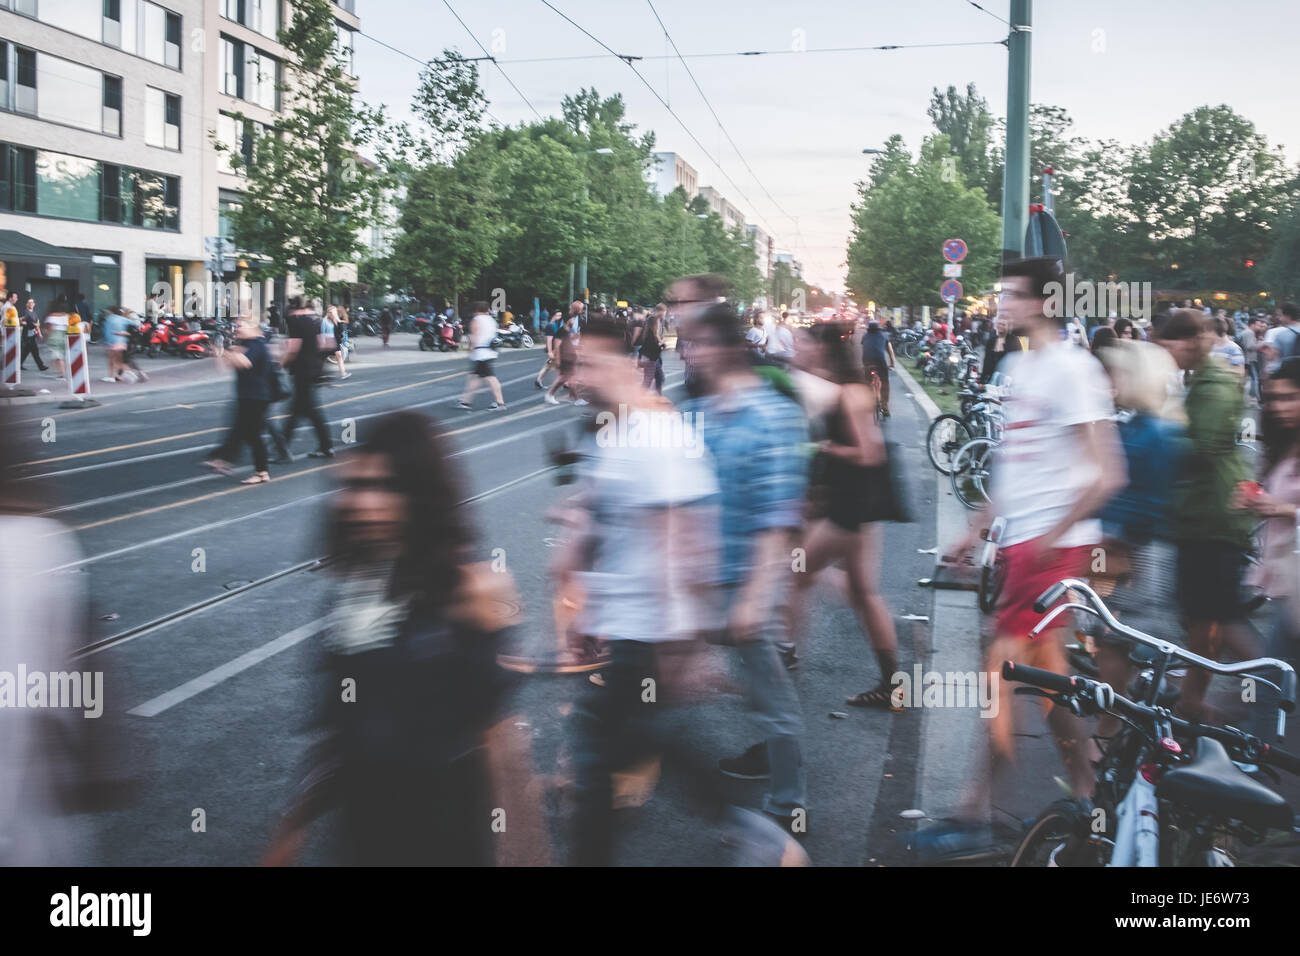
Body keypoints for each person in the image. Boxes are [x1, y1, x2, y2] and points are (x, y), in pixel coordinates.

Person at [920, 257, 1126, 858]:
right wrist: (976, 528)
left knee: (1000, 677)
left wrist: (1048, 537)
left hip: (1057, 548)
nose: (1000, 301)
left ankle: (972, 815)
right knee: (1049, 684)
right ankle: (1092, 798)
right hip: (1024, 543)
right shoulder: (1016, 365)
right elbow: (1017, 466)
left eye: (1011, 293)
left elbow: (1107, 472)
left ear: (1043, 302)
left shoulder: (1075, 370)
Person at [265, 412, 522, 866]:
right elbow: (341, 737)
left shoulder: (475, 589)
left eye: (383, 486)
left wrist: (524, 848)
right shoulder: (356, 589)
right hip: (363, 835)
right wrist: (291, 829)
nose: (362, 503)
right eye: (355, 486)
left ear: (420, 492)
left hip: (444, 835)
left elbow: (500, 737)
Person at [680, 302, 810, 837]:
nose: (692, 353)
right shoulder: (699, 414)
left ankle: (789, 806)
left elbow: (777, 517)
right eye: (688, 344)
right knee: (652, 681)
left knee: (770, 699)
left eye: (702, 343)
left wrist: (758, 596)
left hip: (745, 580)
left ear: (730, 347)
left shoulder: (771, 415)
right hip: (701, 579)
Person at [789, 322, 903, 705]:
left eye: (810, 345)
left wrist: (826, 448)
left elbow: (870, 452)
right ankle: (893, 684)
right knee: (863, 592)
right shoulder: (843, 388)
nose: (804, 351)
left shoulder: (851, 394)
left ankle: (786, 663)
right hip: (857, 506)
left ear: (825, 349)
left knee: (797, 570)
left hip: (851, 507)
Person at [1157, 310, 1259, 721]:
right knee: (1210, 616)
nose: (1166, 356)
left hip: (1215, 516)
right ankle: (1198, 703)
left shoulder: (1214, 385)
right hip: (1205, 515)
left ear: (1193, 340)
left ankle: (1257, 697)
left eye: (1170, 347)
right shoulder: (1201, 379)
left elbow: (1204, 447)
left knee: (1214, 618)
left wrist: (1159, 438)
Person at [1238, 358, 1300, 666]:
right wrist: (1257, 502)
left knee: (1270, 684)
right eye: (1274, 398)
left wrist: (1284, 508)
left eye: (1290, 397)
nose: (1278, 406)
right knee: (1273, 681)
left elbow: (1288, 506)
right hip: (1290, 585)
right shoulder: (1286, 442)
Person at [203, 314, 276, 484]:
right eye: (236, 326)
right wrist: (220, 354)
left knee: (253, 435)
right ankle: (224, 461)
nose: (237, 329)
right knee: (241, 431)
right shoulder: (247, 345)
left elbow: (244, 363)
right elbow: (228, 367)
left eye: (240, 326)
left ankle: (261, 472)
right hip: (247, 396)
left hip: (257, 397)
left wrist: (227, 351)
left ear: (252, 328)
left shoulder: (257, 344)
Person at [277, 297, 333, 459]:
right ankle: (324, 446)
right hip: (314, 370)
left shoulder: (296, 320)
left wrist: (280, 364)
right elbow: (327, 345)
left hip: (302, 370)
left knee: (306, 411)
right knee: (302, 411)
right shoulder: (318, 320)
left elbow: (293, 348)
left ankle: (283, 449)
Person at [456, 301, 506, 410]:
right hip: (490, 351)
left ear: (476, 310)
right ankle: (465, 401)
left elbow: (474, 337)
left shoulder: (476, 320)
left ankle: (500, 402)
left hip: (481, 353)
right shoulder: (492, 321)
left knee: (490, 378)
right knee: (475, 377)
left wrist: (471, 349)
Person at [544, 311, 581, 405]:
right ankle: (550, 394)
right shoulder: (561, 331)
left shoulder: (567, 330)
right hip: (565, 358)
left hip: (570, 358)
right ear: (568, 320)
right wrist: (558, 359)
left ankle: (575, 398)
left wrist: (575, 338)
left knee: (570, 378)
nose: (573, 321)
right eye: (572, 319)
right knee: (565, 378)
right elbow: (557, 346)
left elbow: (566, 342)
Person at [859, 319, 895, 416]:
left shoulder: (865, 336)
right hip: (880, 362)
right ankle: (885, 406)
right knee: (885, 382)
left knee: (867, 382)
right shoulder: (884, 336)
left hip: (867, 361)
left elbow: (864, 350)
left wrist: (863, 364)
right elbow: (890, 352)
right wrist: (892, 364)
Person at [980, 313, 1022, 384]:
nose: (1000, 326)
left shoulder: (1014, 341)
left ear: (1008, 326)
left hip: (1007, 381)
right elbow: (986, 362)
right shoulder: (991, 341)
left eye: (1003, 324)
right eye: (999, 324)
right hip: (991, 381)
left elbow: (1019, 361)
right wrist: (982, 381)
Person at [637, 306, 665, 394]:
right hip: (650, 359)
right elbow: (654, 347)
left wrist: (661, 344)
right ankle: (639, 398)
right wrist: (662, 345)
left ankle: (658, 396)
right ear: (654, 325)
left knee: (659, 378)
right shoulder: (651, 335)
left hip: (652, 359)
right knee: (648, 381)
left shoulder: (650, 334)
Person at [43, 296, 71, 380]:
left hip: (55, 337)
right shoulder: (67, 316)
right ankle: (58, 372)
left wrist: (47, 335)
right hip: (64, 336)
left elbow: (50, 329)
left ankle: (62, 374)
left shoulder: (52, 317)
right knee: (60, 356)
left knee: (57, 356)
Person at [534, 310, 564, 389]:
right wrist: (550, 352)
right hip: (554, 349)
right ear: (553, 316)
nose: (559, 317)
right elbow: (549, 340)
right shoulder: (550, 326)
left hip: (556, 349)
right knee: (555, 365)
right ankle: (565, 382)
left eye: (560, 316)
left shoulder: (556, 325)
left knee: (549, 366)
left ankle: (538, 380)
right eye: (558, 315)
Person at [18, 296, 47, 371]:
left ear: (34, 304)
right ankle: (41, 366)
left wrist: (39, 333)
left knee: (26, 352)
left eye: (32, 302)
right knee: (34, 351)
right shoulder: (25, 312)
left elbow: (37, 324)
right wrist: (23, 323)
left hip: (33, 335)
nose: (31, 304)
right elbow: (20, 321)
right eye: (29, 302)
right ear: (26, 304)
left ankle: (18, 364)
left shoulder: (34, 313)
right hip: (26, 336)